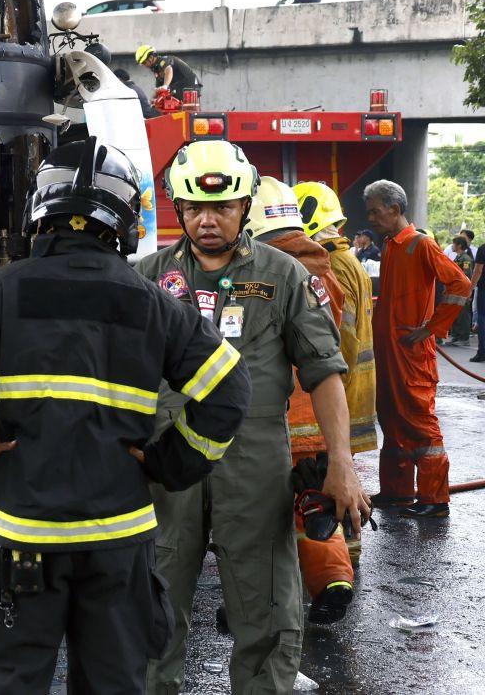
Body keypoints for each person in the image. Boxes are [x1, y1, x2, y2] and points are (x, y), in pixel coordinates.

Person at [0, 137, 251, 694]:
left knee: (11, 682)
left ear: (40, 212)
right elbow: (229, 390)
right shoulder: (156, 304)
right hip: (118, 536)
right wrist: (168, 463)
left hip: (20, 535)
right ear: (125, 219)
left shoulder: (0, 291)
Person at [136, 140, 368, 695]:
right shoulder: (146, 278)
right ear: (178, 208)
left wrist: (342, 464)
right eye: (192, 208)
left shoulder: (286, 275)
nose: (206, 220)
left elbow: (324, 372)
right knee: (152, 611)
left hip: (257, 460)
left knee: (267, 612)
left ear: (245, 205)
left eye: (221, 207)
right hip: (169, 462)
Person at [247, 178, 355, 626]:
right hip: (321, 412)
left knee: (260, 513)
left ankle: (255, 602)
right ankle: (333, 579)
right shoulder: (324, 267)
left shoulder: (260, 272)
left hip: (274, 416)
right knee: (314, 502)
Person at [365, 180, 471, 518]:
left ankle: (434, 499)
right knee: (393, 419)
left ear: (395, 210)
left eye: (374, 211)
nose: (370, 218)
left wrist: (431, 328)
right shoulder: (391, 245)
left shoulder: (419, 244)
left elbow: (461, 284)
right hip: (389, 351)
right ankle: (397, 492)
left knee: (421, 424)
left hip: (411, 355)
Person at [294, 179, 378, 566]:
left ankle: (344, 556)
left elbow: (330, 340)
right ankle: (350, 552)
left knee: (332, 477)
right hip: (353, 387)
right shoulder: (349, 261)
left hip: (339, 388)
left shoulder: (330, 266)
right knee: (340, 475)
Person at [134, 45, 201, 102]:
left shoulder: (163, 61)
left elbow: (168, 69)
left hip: (189, 87)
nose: (144, 65)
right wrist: (151, 101)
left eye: (144, 62)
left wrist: (165, 86)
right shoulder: (156, 69)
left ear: (151, 58)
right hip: (181, 88)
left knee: (168, 100)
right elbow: (158, 90)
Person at [449, 237, 475, 344]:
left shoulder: (466, 259)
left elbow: (467, 275)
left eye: (454, 244)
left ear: (459, 245)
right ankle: (456, 335)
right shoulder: (458, 258)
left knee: (463, 314)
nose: (452, 246)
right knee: (456, 313)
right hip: (455, 290)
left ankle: (464, 337)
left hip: (463, 290)